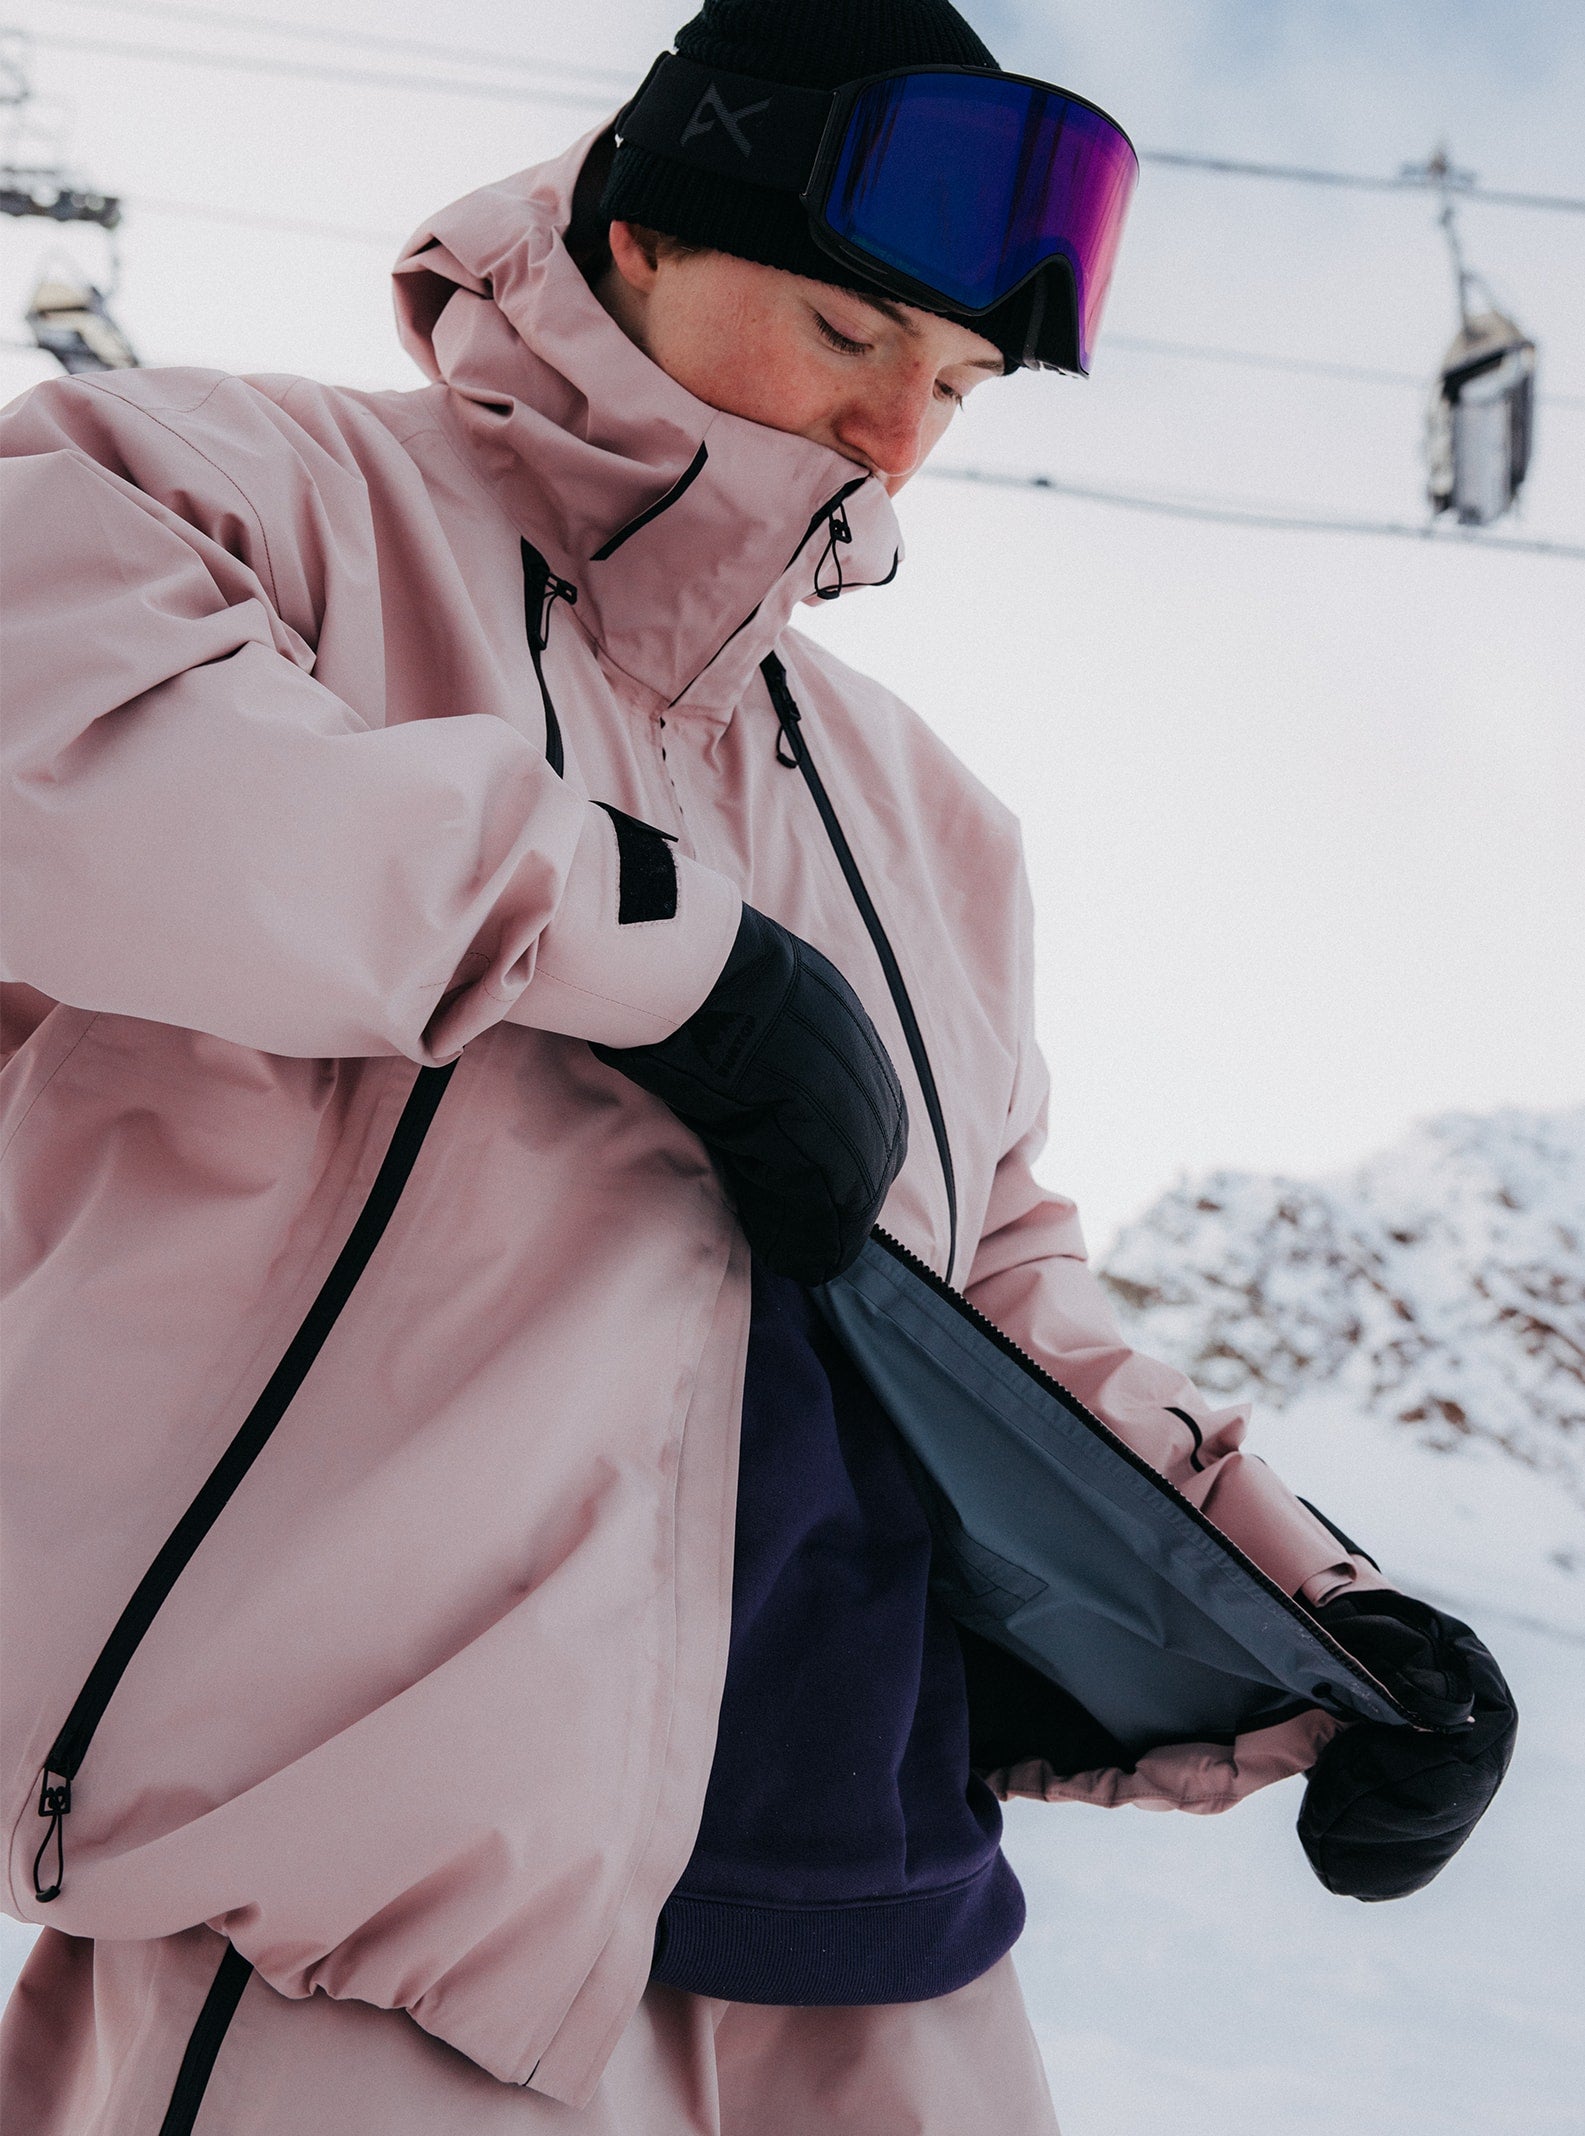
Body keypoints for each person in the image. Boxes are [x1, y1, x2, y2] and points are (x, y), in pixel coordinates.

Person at [0, 3, 1515, 2131]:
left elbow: (994, 1292)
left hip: (869, 1922)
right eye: (844, 333)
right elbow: (62, 755)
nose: (896, 441)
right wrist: (661, 955)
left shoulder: (925, 822)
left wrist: (1315, 1615)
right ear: (636, 235)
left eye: (956, 388)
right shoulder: (243, 498)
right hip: (362, 1904)